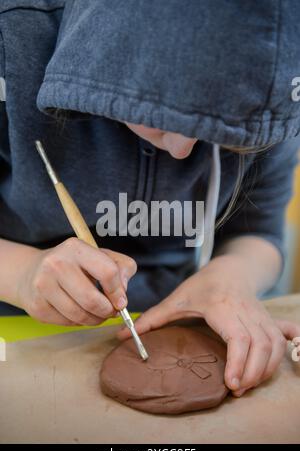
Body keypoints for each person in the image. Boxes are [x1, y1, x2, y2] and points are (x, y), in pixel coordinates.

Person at [0, 0, 300, 398]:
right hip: (16, 323)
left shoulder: (273, 77)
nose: (181, 149)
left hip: (190, 319)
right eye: (163, 118)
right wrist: (19, 273)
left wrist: (233, 276)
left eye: (219, 132)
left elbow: (262, 234)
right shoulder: (15, 36)